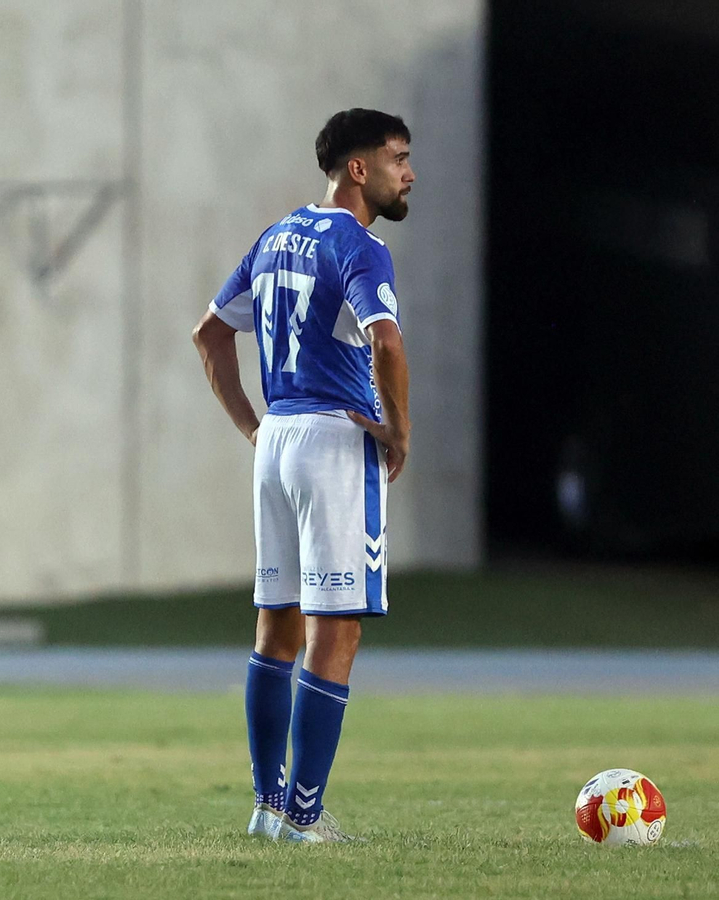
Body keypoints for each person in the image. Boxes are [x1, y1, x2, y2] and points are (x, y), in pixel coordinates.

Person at [192, 108, 414, 842]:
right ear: (359, 169)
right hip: (332, 439)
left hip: (279, 436)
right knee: (336, 629)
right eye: (397, 158)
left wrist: (254, 428)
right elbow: (384, 342)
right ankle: (304, 817)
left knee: (276, 624)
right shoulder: (360, 245)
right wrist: (399, 429)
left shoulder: (277, 233)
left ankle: (266, 805)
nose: (407, 173)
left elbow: (210, 332)